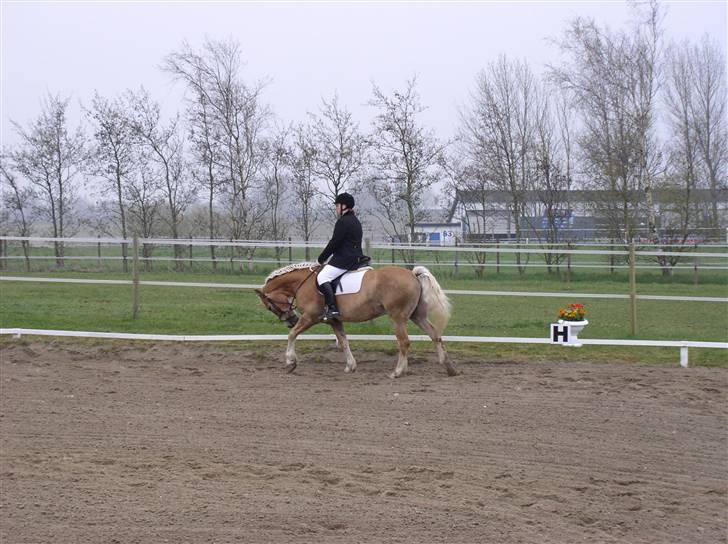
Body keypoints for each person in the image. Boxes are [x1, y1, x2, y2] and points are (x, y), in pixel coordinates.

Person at [316, 192, 364, 321]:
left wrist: (321, 258)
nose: (336, 208)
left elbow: (335, 243)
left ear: (344, 206)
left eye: (337, 205)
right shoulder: (356, 221)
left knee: (322, 276)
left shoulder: (343, 222)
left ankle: (332, 309)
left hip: (344, 259)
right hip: (356, 258)